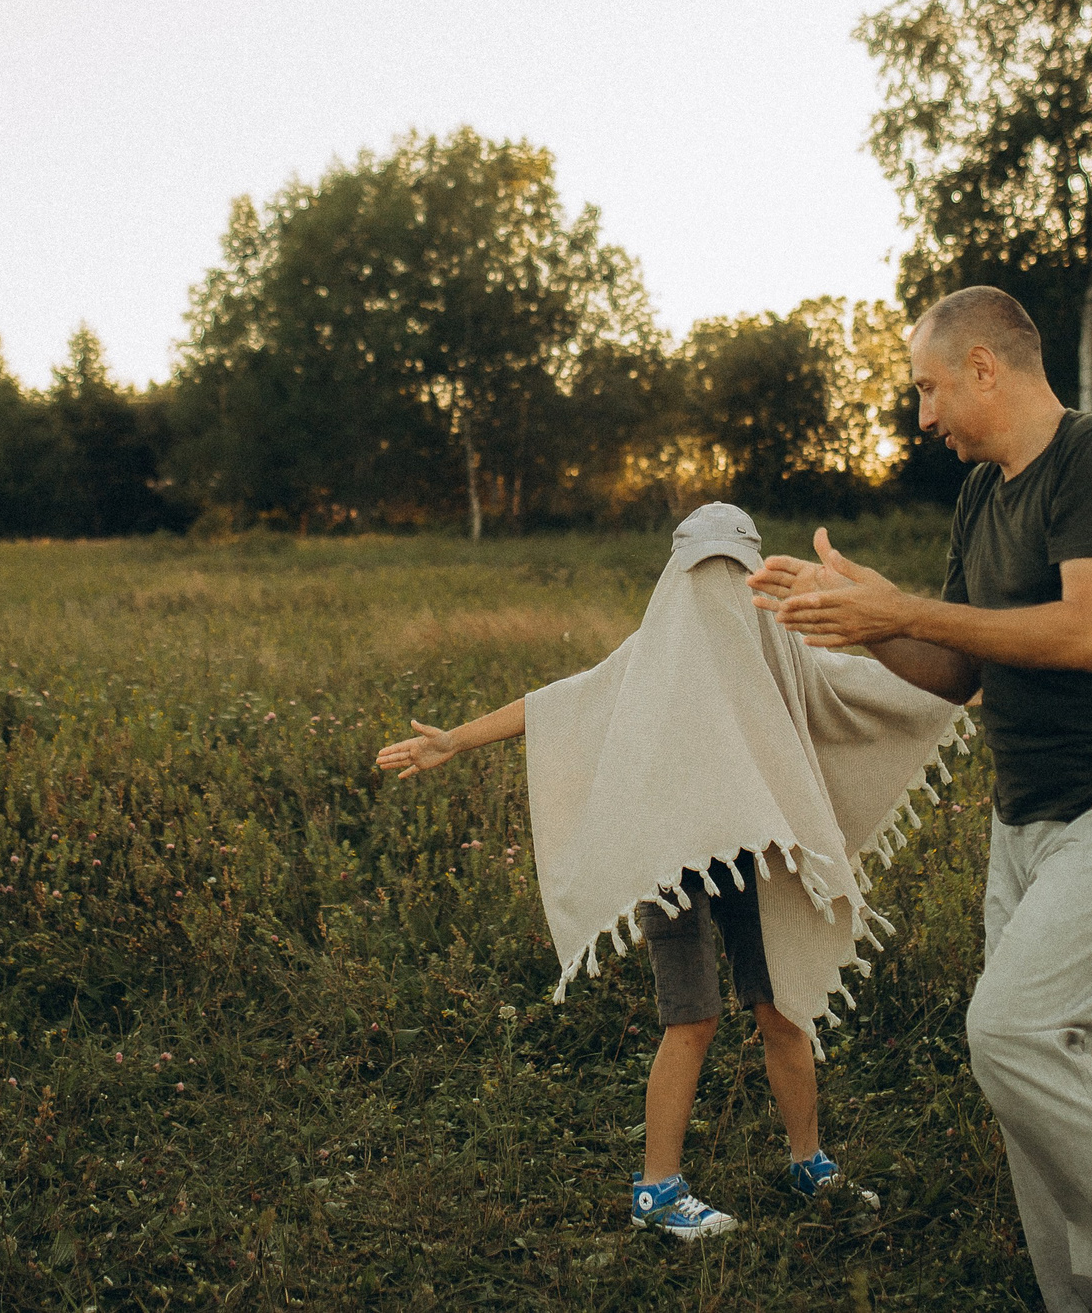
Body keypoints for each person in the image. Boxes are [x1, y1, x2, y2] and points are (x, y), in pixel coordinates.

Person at [749, 286, 1092, 1313]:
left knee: (1008, 1033)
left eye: (927, 389)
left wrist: (903, 604)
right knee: (1045, 1068)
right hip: (1029, 813)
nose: (922, 418)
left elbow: (1091, 636)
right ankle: (1084, 1298)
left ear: (982, 367)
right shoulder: (983, 495)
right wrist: (859, 618)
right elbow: (956, 672)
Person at [378, 503, 963, 1244]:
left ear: (754, 572)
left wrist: (969, 683)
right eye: (702, 573)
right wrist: (455, 740)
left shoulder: (774, 646)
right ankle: (657, 1189)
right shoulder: (652, 655)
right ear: (678, 575)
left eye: (731, 572)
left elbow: (851, 688)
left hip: (760, 853)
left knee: (784, 1009)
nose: (716, 588)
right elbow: (561, 702)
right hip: (672, 857)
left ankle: (808, 1161)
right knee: (692, 1017)